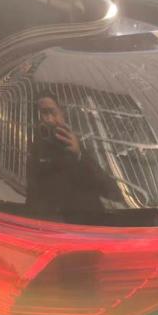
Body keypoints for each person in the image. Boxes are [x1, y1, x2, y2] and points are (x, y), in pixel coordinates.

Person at [26, 90, 120, 220]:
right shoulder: (37, 147)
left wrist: (79, 154)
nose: (49, 119)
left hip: (87, 220)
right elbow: (33, 193)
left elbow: (112, 191)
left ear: (62, 113)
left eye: (52, 112)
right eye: (43, 113)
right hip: (53, 223)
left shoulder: (84, 141)